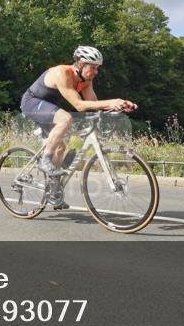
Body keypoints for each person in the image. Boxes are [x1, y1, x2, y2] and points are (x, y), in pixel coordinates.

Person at [20, 46, 137, 210]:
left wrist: (121, 105)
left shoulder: (86, 80)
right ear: (80, 64)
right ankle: (45, 161)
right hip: (32, 102)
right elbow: (79, 105)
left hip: (50, 107)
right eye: (93, 67)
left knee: (60, 148)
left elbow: (93, 105)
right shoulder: (62, 73)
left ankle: (53, 193)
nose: (96, 71)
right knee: (66, 118)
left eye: (98, 68)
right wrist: (112, 101)